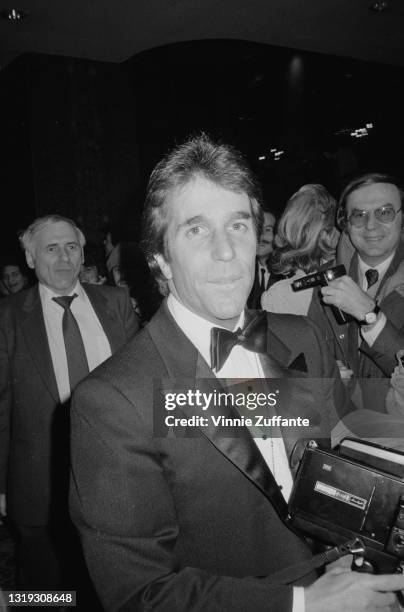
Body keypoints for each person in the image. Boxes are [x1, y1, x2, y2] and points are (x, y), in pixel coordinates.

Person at [70, 135, 403, 612]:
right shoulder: (114, 400)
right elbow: (139, 595)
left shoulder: (300, 336)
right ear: (160, 257)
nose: (226, 252)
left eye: (238, 225)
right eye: (197, 230)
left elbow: (332, 461)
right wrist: (303, 604)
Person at [0, 215, 138, 597]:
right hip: (39, 484)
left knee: (109, 586)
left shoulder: (116, 302)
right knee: (41, 590)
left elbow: (139, 385)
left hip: (119, 476)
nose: (63, 258)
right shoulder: (8, 316)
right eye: (51, 248)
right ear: (29, 259)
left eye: (72, 247)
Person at [321, 173, 404, 412]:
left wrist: (371, 316)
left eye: (384, 212)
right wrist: (325, 372)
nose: (371, 226)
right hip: (341, 431)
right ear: (345, 224)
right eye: (359, 215)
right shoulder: (325, 280)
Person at [247, 209, 277, 308]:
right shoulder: (245, 271)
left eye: (268, 229)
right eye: (257, 229)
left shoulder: (288, 274)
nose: (260, 236)